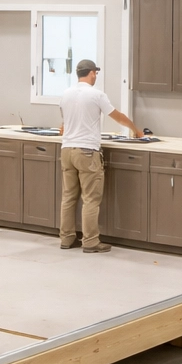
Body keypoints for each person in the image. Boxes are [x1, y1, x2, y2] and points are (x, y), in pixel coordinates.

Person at [57, 59, 139, 253]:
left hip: (67, 150)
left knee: (68, 197)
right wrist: (136, 130)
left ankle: (67, 238)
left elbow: (63, 124)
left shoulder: (65, 94)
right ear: (92, 73)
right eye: (96, 73)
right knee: (91, 199)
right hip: (87, 151)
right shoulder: (96, 95)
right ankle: (91, 241)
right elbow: (117, 116)